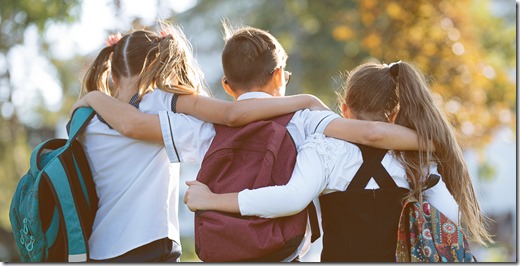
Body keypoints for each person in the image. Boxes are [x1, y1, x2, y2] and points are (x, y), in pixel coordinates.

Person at [72, 24, 424, 261]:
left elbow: (140, 125)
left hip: (224, 250)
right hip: (288, 252)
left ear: (227, 86)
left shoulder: (201, 129)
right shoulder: (306, 118)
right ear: (278, 76)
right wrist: (431, 141)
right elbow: (369, 133)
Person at [183, 61, 493, 262]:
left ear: (344, 109)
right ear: (396, 113)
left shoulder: (324, 149)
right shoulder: (416, 157)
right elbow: (449, 215)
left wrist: (212, 200)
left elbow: (289, 199)